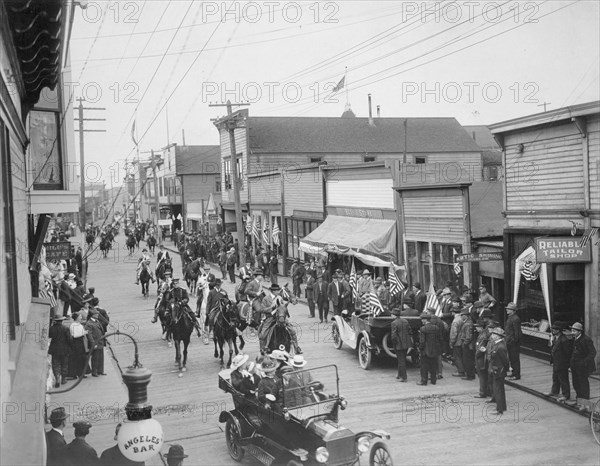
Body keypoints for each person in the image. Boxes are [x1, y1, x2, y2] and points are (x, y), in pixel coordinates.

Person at [569, 322, 597, 407]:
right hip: (575, 365)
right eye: (572, 330)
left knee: (583, 384)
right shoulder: (575, 339)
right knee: (576, 383)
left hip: (583, 366)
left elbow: (593, 352)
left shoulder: (586, 339)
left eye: (574, 331)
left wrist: (584, 362)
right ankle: (579, 401)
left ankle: (585, 404)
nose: (572, 332)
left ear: (579, 331)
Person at [545, 321, 573, 402]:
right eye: (552, 329)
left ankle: (566, 395)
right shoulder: (555, 338)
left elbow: (567, 353)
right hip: (556, 362)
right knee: (555, 377)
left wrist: (566, 364)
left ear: (559, 330)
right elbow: (553, 349)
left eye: (555, 329)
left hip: (562, 363)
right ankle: (554, 391)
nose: (553, 330)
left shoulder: (564, 340)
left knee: (563, 379)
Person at [488, 327, 509, 415]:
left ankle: (500, 409)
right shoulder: (497, 344)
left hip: (499, 371)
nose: (492, 335)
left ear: (498, 336)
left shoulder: (500, 347)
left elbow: (505, 361)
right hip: (496, 369)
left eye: (494, 334)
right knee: (499, 389)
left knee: (498, 390)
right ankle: (501, 407)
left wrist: (505, 370)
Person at [417, 313, 441, 386]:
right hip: (435, 349)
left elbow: (422, 341)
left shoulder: (423, 329)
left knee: (424, 366)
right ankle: (433, 380)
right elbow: (438, 339)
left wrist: (420, 349)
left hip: (425, 350)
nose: (421, 321)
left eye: (422, 320)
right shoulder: (436, 328)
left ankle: (424, 381)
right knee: (433, 365)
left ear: (425, 320)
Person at [48, 315, 71, 387]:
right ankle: (63, 379)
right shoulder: (66, 328)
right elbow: (69, 339)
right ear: (62, 321)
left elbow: (49, 336)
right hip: (64, 349)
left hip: (55, 349)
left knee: (55, 364)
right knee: (64, 364)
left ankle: (57, 378)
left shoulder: (51, 328)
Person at [390, 307, 411, 382]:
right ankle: (399, 374)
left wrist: (394, 343)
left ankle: (403, 377)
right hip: (406, 343)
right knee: (402, 359)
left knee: (401, 360)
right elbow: (409, 331)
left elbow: (393, 336)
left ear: (394, 315)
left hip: (398, 344)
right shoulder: (405, 321)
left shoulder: (394, 323)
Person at [473, 319, 492, 399]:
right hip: (481, 358)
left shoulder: (482, 336)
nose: (476, 328)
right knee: (483, 376)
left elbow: (481, 348)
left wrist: (477, 354)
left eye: (477, 327)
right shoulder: (483, 334)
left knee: (482, 376)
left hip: (481, 358)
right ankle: (487, 391)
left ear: (480, 327)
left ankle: (482, 392)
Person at [504, 302, 522, 380]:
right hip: (509, 341)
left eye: (509, 309)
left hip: (513, 342)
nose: (507, 310)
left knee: (515, 358)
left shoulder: (515, 318)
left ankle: (516, 374)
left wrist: (514, 340)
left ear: (513, 310)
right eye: (507, 309)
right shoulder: (510, 317)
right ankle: (514, 372)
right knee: (511, 358)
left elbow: (517, 332)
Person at [85, 309, 106, 377]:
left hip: (100, 341)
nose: (97, 315)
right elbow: (89, 335)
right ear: (92, 315)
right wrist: (93, 344)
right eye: (96, 314)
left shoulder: (97, 321)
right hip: (95, 343)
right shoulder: (89, 323)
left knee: (100, 357)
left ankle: (100, 370)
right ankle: (94, 371)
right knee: (95, 358)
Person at [459, 308, 475, 380]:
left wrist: (465, 344)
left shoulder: (467, 324)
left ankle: (469, 375)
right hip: (469, 345)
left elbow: (468, 336)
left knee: (467, 360)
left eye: (462, 315)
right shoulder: (468, 322)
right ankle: (471, 374)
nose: (461, 317)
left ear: (465, 315)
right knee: (469, 360)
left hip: (468, 346)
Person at [450, 306, 465, 377]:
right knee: (461, 356)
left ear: (453, 312)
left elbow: (454, 333)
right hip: (461, 340)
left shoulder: (455, 321)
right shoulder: (461, 319)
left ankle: (460, 371)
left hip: (457, 341)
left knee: (457, 357)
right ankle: (461, 369)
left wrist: (452, 342)